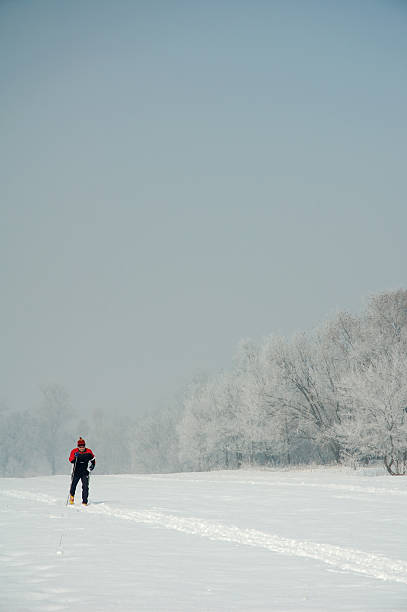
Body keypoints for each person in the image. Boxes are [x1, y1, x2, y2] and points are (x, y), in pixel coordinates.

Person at [68, 437, 96, 505]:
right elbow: (71, 460)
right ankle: (72, 497)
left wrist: (92, 466)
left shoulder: (88, 451)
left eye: (83, 446)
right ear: (78, 446)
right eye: (80, 446)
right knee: (73, 485)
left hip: (84, 471)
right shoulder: (74, 451)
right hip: (76, 471)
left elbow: (93, 459)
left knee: (85, 486)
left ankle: (84, 501)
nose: (82, 448)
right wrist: (75, 457)